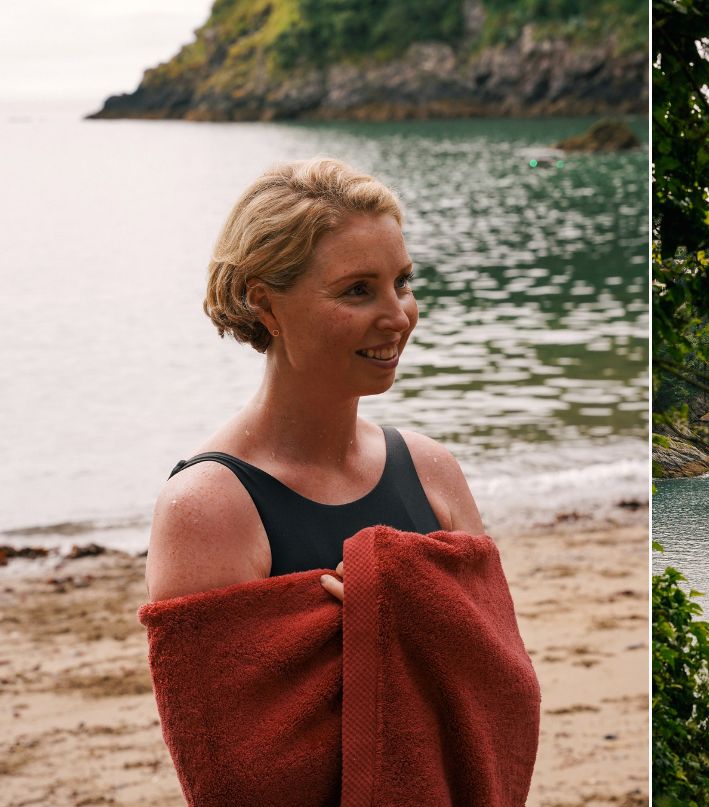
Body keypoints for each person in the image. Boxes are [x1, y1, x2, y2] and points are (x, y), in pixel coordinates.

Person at [145, 157, 483, 602]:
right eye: (357, 290)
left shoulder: (432, 470)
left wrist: (393, 620)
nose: (399, 317)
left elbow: (496, 664)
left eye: (401, 282)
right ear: (265, 305)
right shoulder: (207, 507)